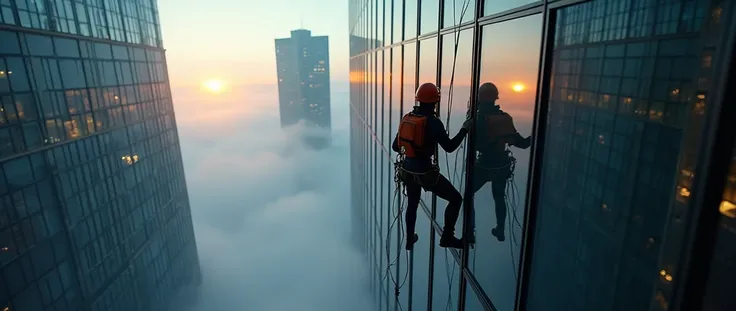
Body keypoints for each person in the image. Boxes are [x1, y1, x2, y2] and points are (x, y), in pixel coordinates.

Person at [392, 82, 473, 250]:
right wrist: (465, 129)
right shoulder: (434, 123)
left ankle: (409, 239)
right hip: (425, 173)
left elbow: (395, 146)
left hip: (407, 170)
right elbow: (450, 147)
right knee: (456, 198)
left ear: (419, 100)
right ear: (435, 102)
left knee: (412, 204)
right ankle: (447, 237)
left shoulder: (408, 118)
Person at [470, 82, 531, 242]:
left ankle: (470, 230)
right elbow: (523, 143)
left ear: (480, 98)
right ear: (495, 98)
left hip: (484, 165)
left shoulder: (479, 119)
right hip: (502, 165)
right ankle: (500, 229)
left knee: (468, 195)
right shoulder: (505, 118)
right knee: (499, 197)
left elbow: (477, 144)